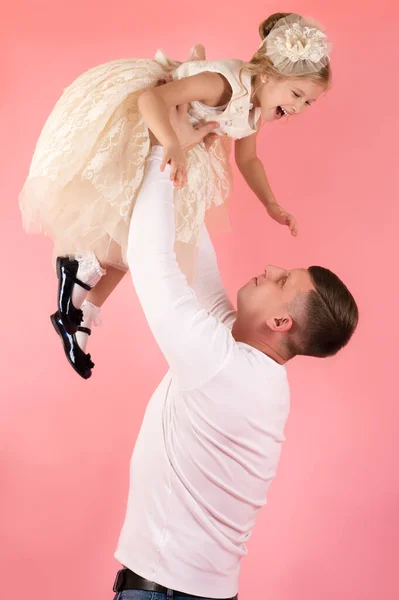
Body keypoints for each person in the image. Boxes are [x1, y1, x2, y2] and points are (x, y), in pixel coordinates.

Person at [111, 133, 358, 599]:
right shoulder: (245, 359)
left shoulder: (226, 369)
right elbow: (197, 263)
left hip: (165, 594)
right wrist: (192, 162)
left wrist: (163, 148)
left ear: (280, 321)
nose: (268, 267)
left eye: (281, 280)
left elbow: (152, 262)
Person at [19, 12, 332, 379]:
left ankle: (82, 314)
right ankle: (77, 277)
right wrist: (172, 142)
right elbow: (152, 99)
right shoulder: (223, 84)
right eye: (296, 94)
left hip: (183, 146)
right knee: (127, 225)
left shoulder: (253, 111)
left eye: (308, 103)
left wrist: (271, 203)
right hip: (150, 127)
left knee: (138, 244)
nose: (298, 108)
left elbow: (249, 159)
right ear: (266, 75)